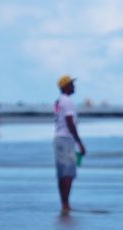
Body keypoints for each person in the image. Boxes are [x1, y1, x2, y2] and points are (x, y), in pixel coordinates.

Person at [53, 75, 86, 214]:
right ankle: (66, 204)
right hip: (66, 139)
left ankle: (64, 203)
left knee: (62, 173)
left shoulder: (59, 101)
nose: (74, 87)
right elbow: (70, 122)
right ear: (65, 86)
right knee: (68, 174)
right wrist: (79, 142)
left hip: (58, 138)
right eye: (71, 84)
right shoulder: (68, 101)